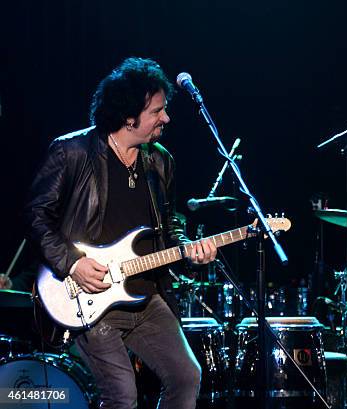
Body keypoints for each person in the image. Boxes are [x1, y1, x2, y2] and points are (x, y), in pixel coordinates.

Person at [24, 57, 217, 409]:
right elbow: (36, 217)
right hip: (86, 300)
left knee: (186, 376)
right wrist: (72, 264)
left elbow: (168, 225)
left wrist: (190, 250)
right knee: (122, 395)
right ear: (130, 116)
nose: (166, 118)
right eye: (158, 111)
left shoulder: (160, 161)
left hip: (145, 295)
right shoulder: (72, 152)